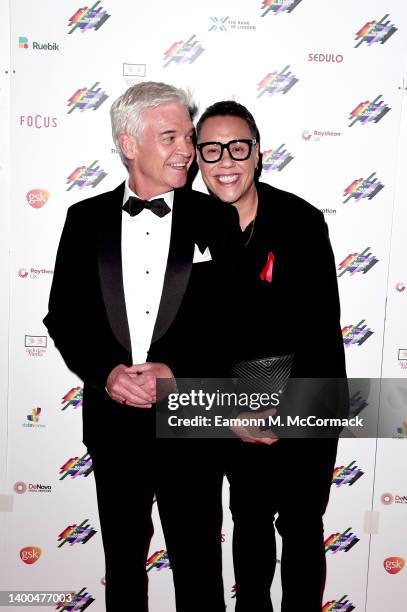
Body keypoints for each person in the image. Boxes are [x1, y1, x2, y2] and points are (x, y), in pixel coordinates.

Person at [44, 83, 241, 612]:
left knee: (200, 571)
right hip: (114, 423)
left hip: (190, 417)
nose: (187, 150)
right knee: (123, 571)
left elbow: (235, 321)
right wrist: (106, 372)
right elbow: (63, 315)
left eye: (189, 136)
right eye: (170, 136)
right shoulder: (84, 219)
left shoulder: (218, 218)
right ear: (129, 144)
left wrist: (179, 374)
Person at [196, 101, 348, 612]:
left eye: (238, 147)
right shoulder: (187, 227)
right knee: (250, 523)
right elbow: (191, 336)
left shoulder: (301, 220)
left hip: (304, 399)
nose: (226, 160)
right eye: (211, 149)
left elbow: (320, 326)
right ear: (197, 158)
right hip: (233, 407)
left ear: (257, 153)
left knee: (303, 527)